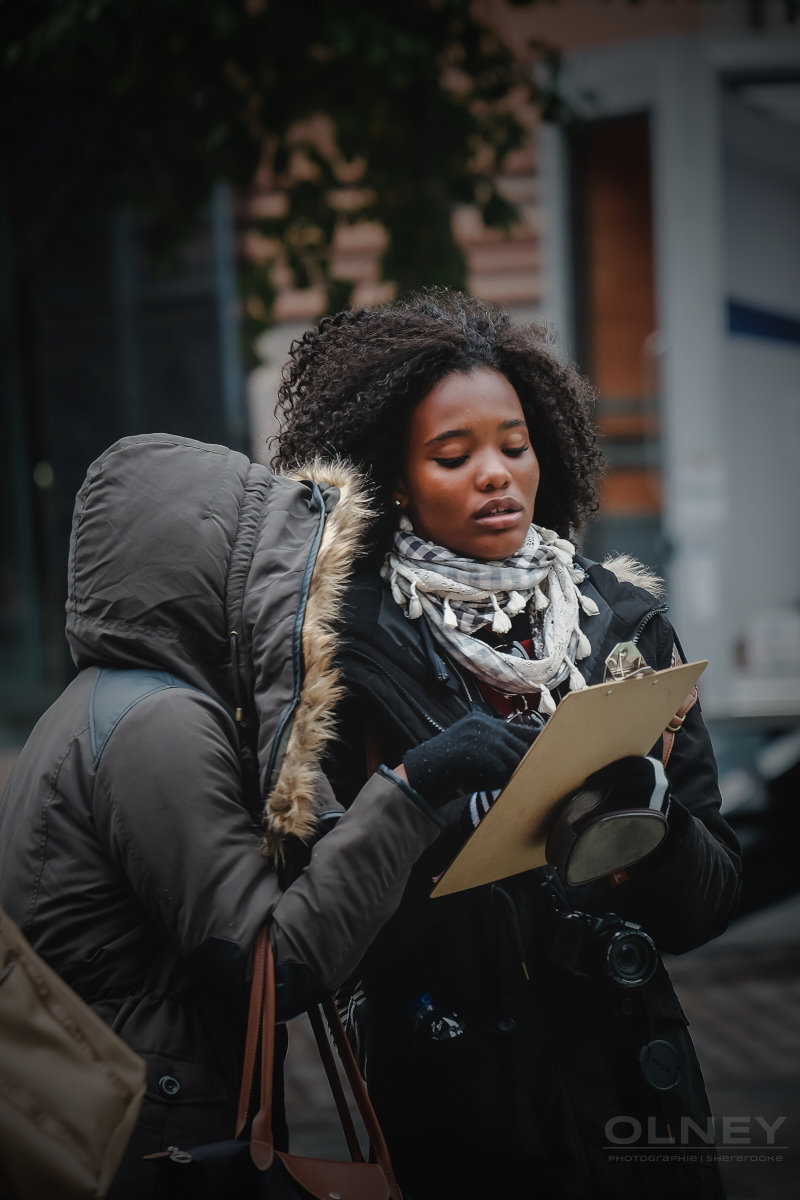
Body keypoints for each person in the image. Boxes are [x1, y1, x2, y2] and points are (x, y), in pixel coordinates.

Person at [273, 289, 742, 1199]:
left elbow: (711, 900)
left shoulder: (626, 625)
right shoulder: (342, 656)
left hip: (641, 1104)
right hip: (461, 1111)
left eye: (514, 446)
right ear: (396, 477)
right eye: (455, 455)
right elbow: (319, 926)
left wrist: (651, 834)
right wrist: (426, 798)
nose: (496, 473)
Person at [0, 432, 535, 1198]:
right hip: (156, 1148)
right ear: (215, 580)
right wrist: (419, 782)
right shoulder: (159, 721)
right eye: (273, 578)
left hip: (127, 1125)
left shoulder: (96, 705)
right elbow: (266, 971)